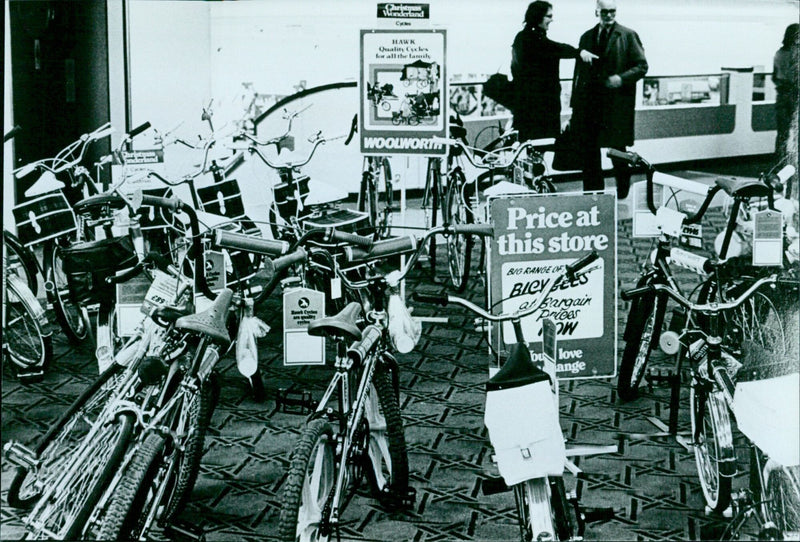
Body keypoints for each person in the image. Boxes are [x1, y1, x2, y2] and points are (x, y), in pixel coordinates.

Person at [570, 0, 647, 198]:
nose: (609, 16)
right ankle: (594, 195)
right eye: (605, 12)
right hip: (591, 105)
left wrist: (620, 79)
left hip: (616, 105)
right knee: (589, 152)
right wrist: (575, 105)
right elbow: (578, 73)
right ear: (596, 11)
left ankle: (622, 189)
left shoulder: (628, 35)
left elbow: (642, 66)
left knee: (618, 150)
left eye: (612, 11)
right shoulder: (586, 37)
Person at [511, 1, 598, 142]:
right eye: (548, 16)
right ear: (538, 16)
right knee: (540, 143)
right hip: (540, 105)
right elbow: (556, 48)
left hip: (527, 103)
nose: (551, 20)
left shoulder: (523, 37)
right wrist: (579, 52)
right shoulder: (533, 39)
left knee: (530, 146)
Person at [773, 23, 799, 173]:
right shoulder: (796, 53)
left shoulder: (779, 53)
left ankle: (779, 162)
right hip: (794, 96)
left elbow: (775, 76)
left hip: (782, 96)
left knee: (782, 133)